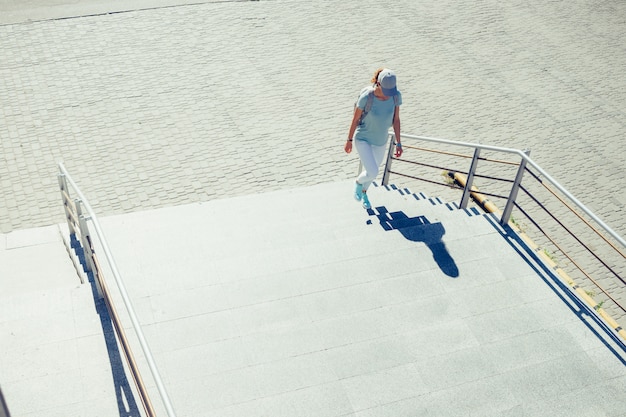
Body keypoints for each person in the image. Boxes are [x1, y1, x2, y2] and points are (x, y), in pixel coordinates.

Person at [344, 68, 402, 209]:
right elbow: (355, 119)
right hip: (363, 138)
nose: (388, 95)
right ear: (378, 83)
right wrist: (349, 140)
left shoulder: (396, 96)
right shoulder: (367, 97)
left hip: (381, 141)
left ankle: (364, 193)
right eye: (386, 91)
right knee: (373, 171)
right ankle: (358, 183)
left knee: (372, 172)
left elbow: (396, 120)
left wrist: (399, 143)